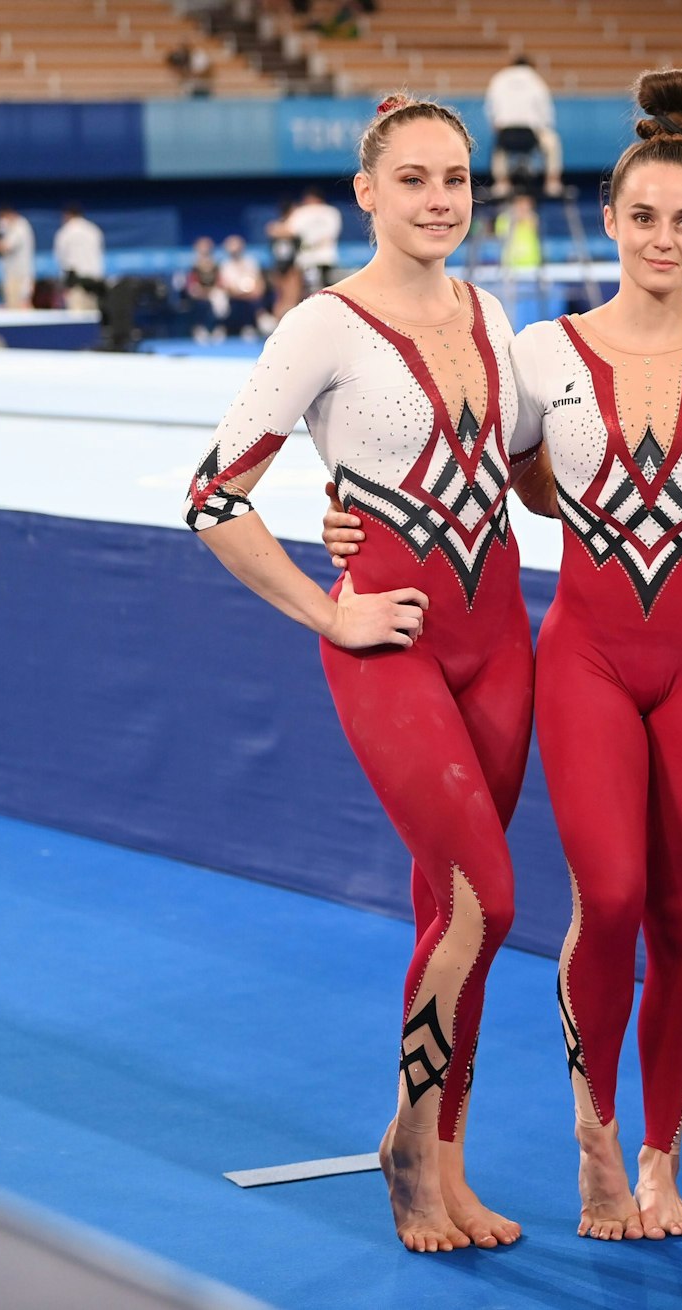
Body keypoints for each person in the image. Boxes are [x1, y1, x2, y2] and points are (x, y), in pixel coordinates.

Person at [326, 68, 682, 1244]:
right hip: (586, 656)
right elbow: (470, 461)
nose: (662, 236)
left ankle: (658, 1160)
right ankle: (593, 1147)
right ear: (610, 220)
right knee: (608, 896)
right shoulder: (540, 348)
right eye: (641, 216)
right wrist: (342, 513)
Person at [182, 95, 540, 1255]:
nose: (442, 199)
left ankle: (440, 1156)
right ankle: (408, 1152)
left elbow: (523, 472)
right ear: (367, 193)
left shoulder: (491, 309)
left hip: (503, 643)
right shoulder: (321, 327)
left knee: (457, 911)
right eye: (417, 179)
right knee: (490, 897)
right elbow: (212, 497)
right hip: (393, 646)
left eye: (457, 178)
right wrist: (325, 609)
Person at [486, 54, 563, 198]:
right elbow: (546, 112)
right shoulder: (536, 80)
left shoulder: (499, 79)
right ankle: (552, 182)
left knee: (499, 147)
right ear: (530, 66)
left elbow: (491, 109)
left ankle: (502, 183)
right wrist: (543, 127)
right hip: (531, 133)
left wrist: (497, 126)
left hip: (506, 134)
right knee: (552, 142)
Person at [288, 186, 343, 295]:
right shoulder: (332, 212)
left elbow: (289, 230)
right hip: (320, 258)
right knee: (322, 292)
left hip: (317, 257)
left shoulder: (302, 212)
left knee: (316, 293)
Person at [53, 205, 105, 311]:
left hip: (77, 282)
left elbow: (60, 257)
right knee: (93, 317)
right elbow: (100, 252)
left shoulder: (65, 232)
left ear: (67, 215)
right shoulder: (94, 230)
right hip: (94, 281)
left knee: (77, 319)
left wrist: (64, 282)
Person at [216, 234, 268, 337]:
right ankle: (221, 327)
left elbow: (259, 283)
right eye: (232, 248)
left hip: (251, 295)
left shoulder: (251, 262)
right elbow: (226, 287)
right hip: (233, 297)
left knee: (256, 301)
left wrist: (254, 291)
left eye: (237, 247)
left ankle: (257, 323)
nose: (235, 251)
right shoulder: (224, 265)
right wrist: (241, 293)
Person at [265, 201, 303, 324]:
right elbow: (276, 231)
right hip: (284, 266)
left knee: (288, 298)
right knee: (286, 298)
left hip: (285, 265)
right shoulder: (286, 227)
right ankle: (281, 325)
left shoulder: (281, 227)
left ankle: (284, 324)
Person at [0, 205, 35, 310]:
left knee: (21, 305)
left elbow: (6, 247)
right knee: (12, 305)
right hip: (12, 273)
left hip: (20, 274)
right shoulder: (10, 228)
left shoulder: (20, 227)